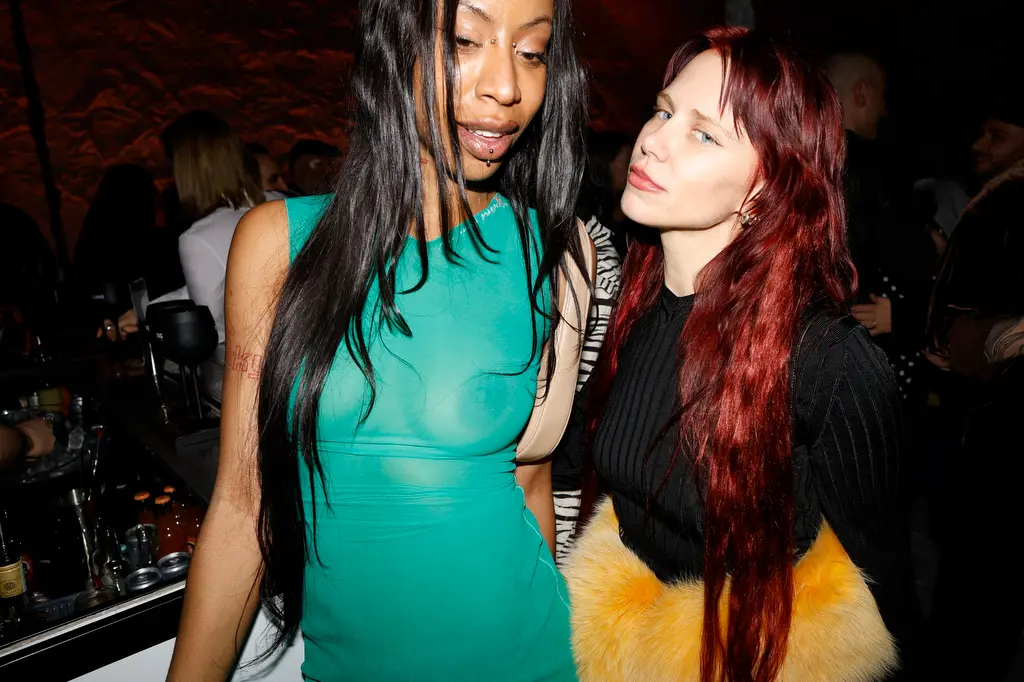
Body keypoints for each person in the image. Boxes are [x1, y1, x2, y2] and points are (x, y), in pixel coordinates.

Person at [167, 0, 589, 680]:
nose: (507, 86)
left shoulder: (556, 253)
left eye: (532, 52)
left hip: (528, 657)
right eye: (466, 40)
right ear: (394, 46)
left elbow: (530, 480)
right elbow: (244, 507)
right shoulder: (277, 246)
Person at [559, 27, 921, 682]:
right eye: (663, 111)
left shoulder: (827, 361)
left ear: (764, 189)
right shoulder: (630, 312)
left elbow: (886, 583)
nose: (653, 140)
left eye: (703, 134)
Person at [925, 94, 1024, 680]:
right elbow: (951, 326)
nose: (979, 147)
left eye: (997, 135)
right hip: (991, 440)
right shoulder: (1000, 202)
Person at [826, 52, 938, 399]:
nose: (884, 109)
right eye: (882, 94)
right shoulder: (868, 164)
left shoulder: (795, 160)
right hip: (859, 352)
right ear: (861, 92)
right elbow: (910, 259)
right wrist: (934, 246)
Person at [579, 130, 634, 257]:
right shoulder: (591, 203)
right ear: (608, 160)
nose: (632, 168)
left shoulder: (616, 201)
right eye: (628, 161)